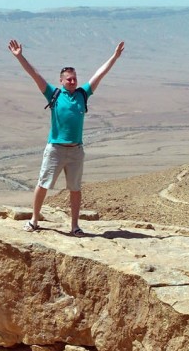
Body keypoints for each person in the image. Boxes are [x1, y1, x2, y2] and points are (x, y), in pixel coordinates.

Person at [8, 38, 125, 236]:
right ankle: (34, 220)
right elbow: (34, 74)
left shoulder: (83, 94)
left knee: (75, 189)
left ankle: (75, 226)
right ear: (61, 81)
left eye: (74, 78)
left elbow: (100, 74)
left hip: (76, 150)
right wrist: (20, 57)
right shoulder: (53, 94)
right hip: (56, 149)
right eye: (68, 79)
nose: (72, 81)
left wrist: (114, 57)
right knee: (43, 184)